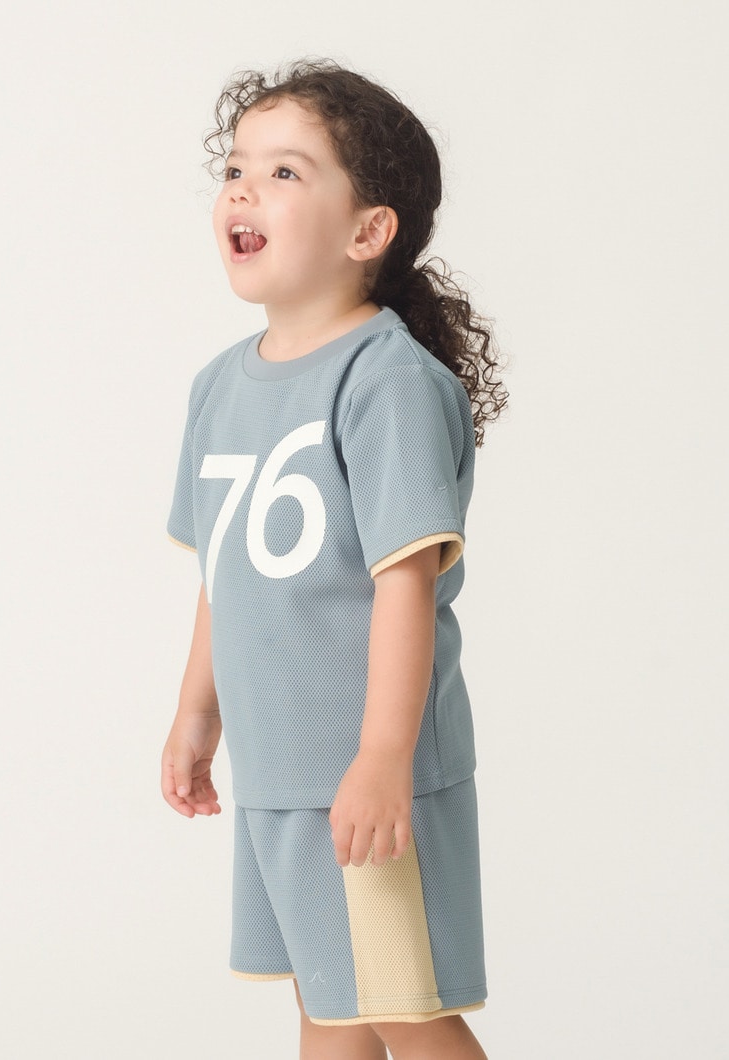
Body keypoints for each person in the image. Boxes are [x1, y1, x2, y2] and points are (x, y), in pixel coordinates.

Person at [161, 59, 507, 1060]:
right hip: (278, 770)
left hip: (362, 773)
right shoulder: (219, 388)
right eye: (236, 168)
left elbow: (406, 581)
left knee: (405, 1006)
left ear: (368, 231)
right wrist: (197, 713)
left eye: (284, 172)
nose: (242, 189)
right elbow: (225, 572)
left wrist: (383, 758)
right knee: (330, 1002)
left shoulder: (385, 380)